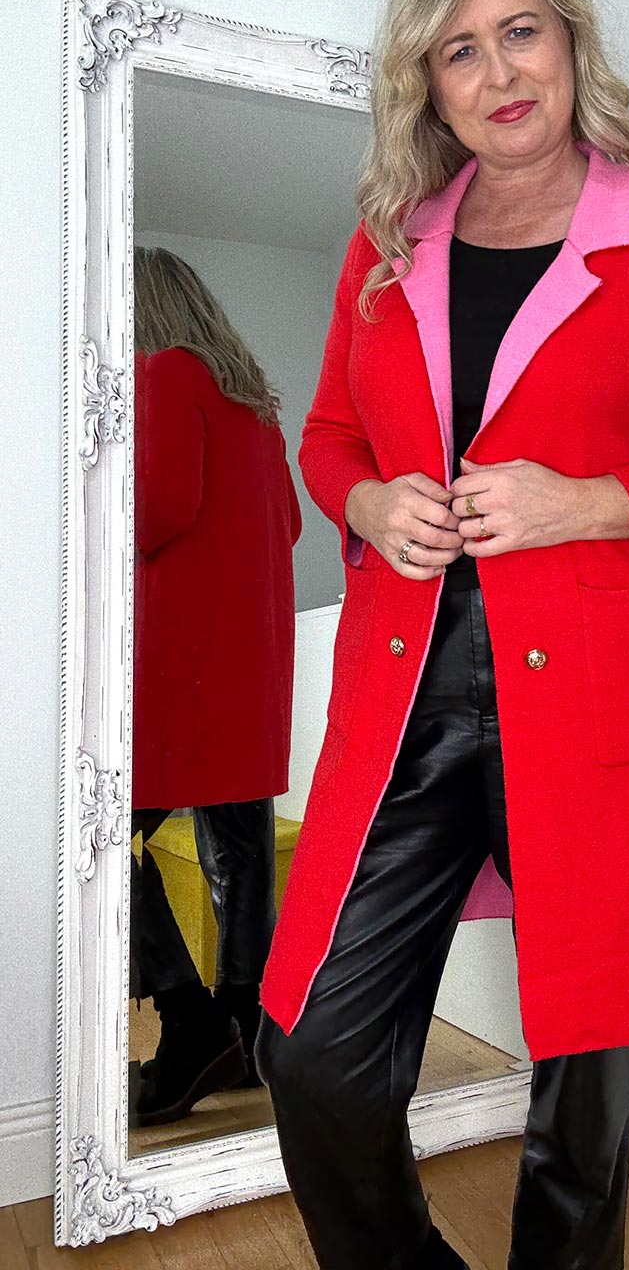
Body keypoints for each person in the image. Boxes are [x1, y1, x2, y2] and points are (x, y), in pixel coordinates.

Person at [254, 0, 629, 1270]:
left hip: (601, 712)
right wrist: (367, 501)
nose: (500, 74)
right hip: (410, 707)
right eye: (460, 51)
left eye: (521, 33)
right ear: (426, 82)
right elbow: (328, 437)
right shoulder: (385, 246)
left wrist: (588, 502)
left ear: (571, 41)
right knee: (313, 1052)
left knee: (583, 1116)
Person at [131, 247, 302, 1123]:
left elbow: (153, 512)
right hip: (253, 670)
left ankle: (187, 1019)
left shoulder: (164, 373)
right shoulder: (256, 411)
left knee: (92, 840)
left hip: (184, 668)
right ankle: (245, 1027)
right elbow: (292, 525)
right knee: (239, 852)